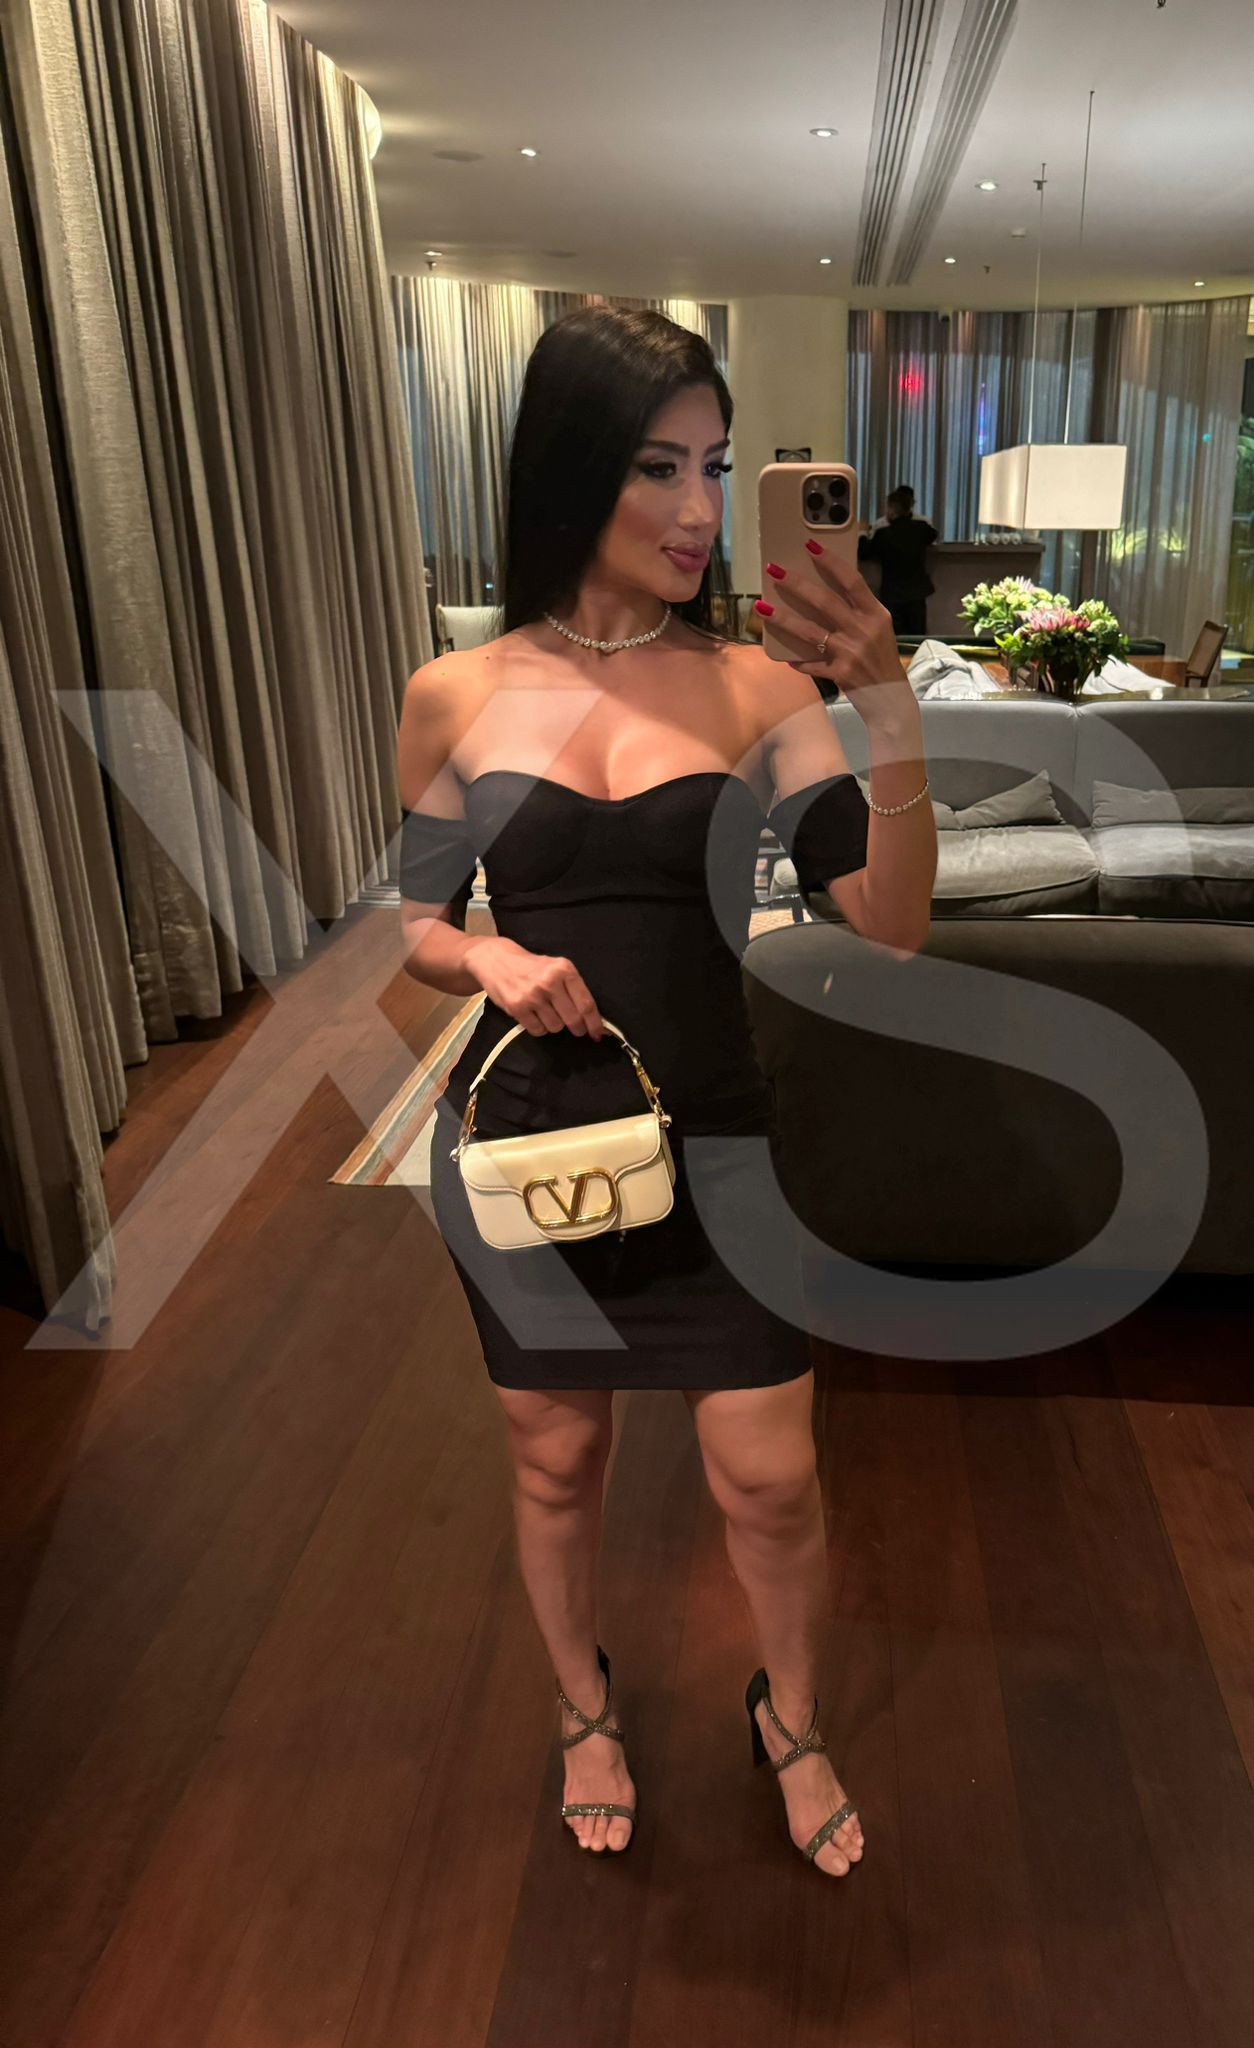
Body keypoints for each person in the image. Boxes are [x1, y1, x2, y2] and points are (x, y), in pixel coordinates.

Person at [395, 307, 933, 1877]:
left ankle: (792, 1718)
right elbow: (417, 923)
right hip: (525, 1139)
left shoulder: (760, 690)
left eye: (715, 466)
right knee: (553, 1457)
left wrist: (887, 711)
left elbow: (890, 921)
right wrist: (487, 958)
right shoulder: (453, 691)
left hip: (718, 1133)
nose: (699, 510)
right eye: (656, 467)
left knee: (769, 1479)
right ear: (571, 471)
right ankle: (582, 1708)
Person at [857, 485, 938, 637]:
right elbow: (933, 534)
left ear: (892, 510)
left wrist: (861, 532)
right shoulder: (921, 528)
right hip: (917, 593)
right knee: (917, 637)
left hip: (892, 593)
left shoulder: (883, 534)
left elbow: (864, 553)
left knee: (894, 639)